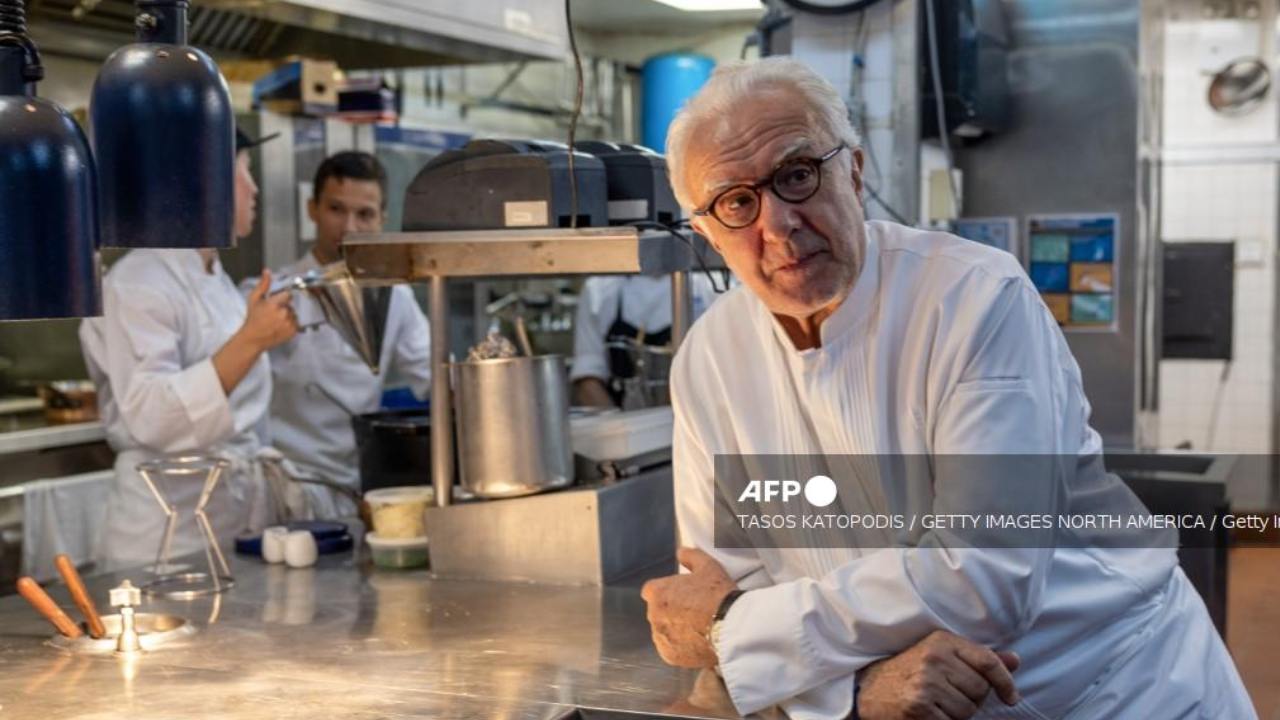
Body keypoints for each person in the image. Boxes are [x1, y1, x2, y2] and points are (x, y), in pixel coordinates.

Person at [639, 57, 1254, 719]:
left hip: (1117, 687)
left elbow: (985, 578)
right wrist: (848, 690)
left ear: (854, 170)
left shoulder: (975, 298)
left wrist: (743, 633)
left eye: (797, 175)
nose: (779, 223)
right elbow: (723, 583)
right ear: (704, 229)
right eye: (737, 202)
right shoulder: (709, 359)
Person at [80, 128, 299, 570]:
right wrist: (252, 338)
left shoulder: (214, 275)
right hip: (165, 539)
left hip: (232, 523)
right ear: (208, 180)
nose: (254, 190)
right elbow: (153, 416)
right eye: (244, 172)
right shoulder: (137, 282)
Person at [250, 152, 430, 518]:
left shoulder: (395, 297)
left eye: (364, 214)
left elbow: (432, 376)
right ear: (312, 209)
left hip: (361, 486)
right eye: (336, 209)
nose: (349, 226)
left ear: (382, 219)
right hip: (288, 487)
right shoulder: (274, 295)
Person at [570, 273, 717, 408]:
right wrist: (620, 431)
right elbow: (587, 379)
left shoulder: (706, 287)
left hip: (690, 427)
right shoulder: (598, 290)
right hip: (622, 427)